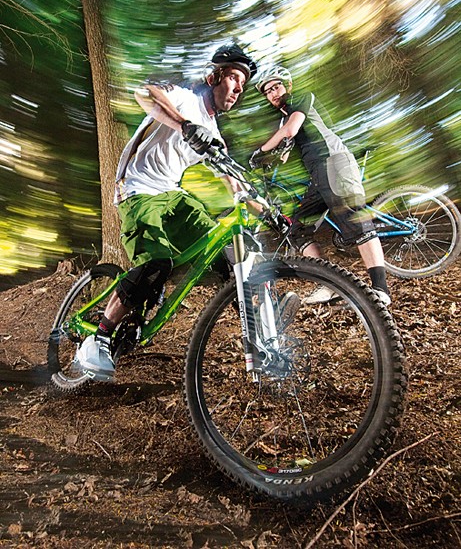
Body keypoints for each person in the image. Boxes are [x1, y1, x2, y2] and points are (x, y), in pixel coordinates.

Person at [75, 44, 257, 382]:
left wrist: (270, 211)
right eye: (233, 78)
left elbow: (235, 182)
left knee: (230, 255)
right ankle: (98, 337)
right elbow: (145, 93)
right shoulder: (185, 97)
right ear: (214, 76)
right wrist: (184, 125)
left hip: (173, 195)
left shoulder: (215, 135)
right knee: (156, 263)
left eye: (242, 85)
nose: (237, 89)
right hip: (137, 189)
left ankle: (259, 334)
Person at [250, 65, 391, 306]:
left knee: (354, 219)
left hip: (334, 162)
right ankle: (330, 285)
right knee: (296, 231)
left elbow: (290, 130)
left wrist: (260, 151)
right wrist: (266, 162)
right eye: (267, 91)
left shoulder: (302, 99)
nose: (273, 93)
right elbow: (285, 147)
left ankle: (380, 290)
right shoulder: (285, 116)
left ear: (288, 85)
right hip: (318, 172)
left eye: (276, 86)